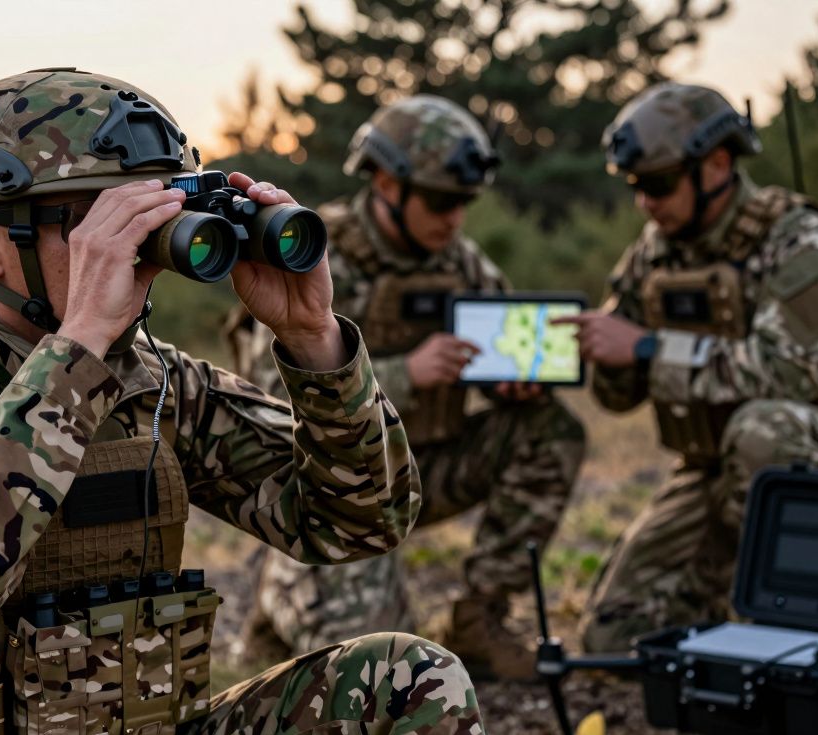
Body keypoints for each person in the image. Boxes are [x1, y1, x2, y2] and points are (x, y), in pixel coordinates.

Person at [0, 68, 487, 735]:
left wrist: (314, 341)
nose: (135, 249)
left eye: (149, 218)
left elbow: (362, 522)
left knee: (411, 681)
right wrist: (75, 351)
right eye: (99, 223)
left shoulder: (153, 382)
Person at [227, 95, 585, 681]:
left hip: (421, 472)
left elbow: (500, 347)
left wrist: (511, 383)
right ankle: (285, 599)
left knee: (550, 430)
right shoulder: (311, 251)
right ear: (388, 183)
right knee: (378, 670)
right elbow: (263, 391)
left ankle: (481, 619)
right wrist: (405, 374)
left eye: (464, 203)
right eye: (442, 201)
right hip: (332, 489)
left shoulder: (462, 263)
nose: (455, 218)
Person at [559, 82, 818, 653]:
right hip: (709, 467)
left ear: (716, 164)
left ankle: (795, 614)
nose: (646, 202)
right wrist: (603, 354)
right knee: (614, 640)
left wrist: (645, 349)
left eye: (659, 183)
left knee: (761, 430)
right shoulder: (655, 250)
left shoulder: (799, 241)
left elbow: (784, 373)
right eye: (636, 186)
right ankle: (715, 613)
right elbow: (618, 399)